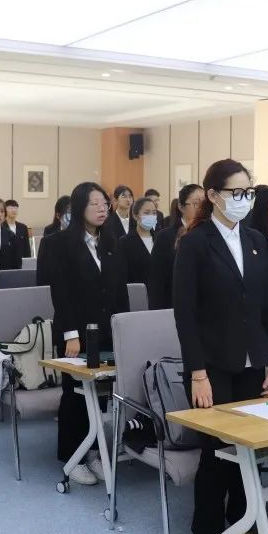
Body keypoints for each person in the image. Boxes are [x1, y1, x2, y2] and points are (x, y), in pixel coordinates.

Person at [174, 159, 268, 534]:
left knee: (246, 450)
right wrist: (197, 373)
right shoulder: (195, 242)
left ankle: (240, 526)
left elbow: (267, 304)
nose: (243, 199)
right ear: (213, 195)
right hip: (213, 365)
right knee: (216, 451)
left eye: (248, 192)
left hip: (253, 360)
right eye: (236, 193)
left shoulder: (255, 239)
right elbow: (185, 314)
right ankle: (208, 532)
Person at [49, 182, 123, 486]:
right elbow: (61, 293)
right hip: (75, 331)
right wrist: (70, 334)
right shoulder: (59, 243)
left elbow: (118, 290)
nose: (102, 209)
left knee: (99, 395)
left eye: (105, 203)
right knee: (75, 394)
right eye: (95, 204)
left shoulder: (111, 241)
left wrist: (122, 328)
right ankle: (72, 456)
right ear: (80, 208)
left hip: (105, 329)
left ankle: (93, 451)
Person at [148, 184, 203, 310]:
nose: (202, 208)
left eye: (205, 204)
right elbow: (157, 280)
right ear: (181, 207)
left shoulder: (210, 234)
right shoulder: (166, 236)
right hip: (173, 305)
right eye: (196, 203)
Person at [114, 197, 158, 287]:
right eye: (146, 213)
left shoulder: (160, 239)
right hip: (136, 292)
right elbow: (121, 275)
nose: (151, 216)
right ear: (135, 216)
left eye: (154, 213)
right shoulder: (125, 242)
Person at [37, 197, 71, 287]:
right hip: (55, 279)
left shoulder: (81, 233)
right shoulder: (49, 231)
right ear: (58, 215)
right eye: (68, 213)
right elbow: (44, 266)